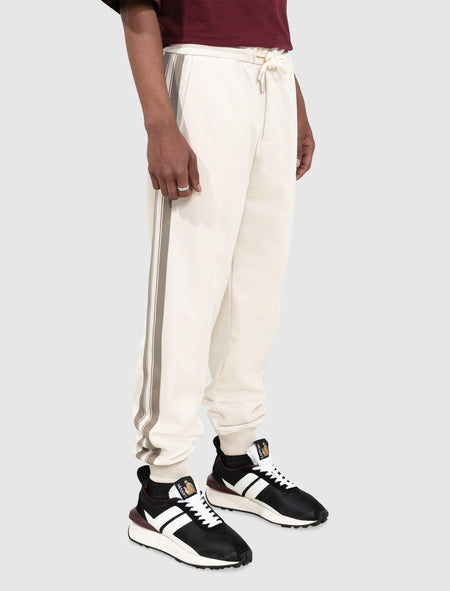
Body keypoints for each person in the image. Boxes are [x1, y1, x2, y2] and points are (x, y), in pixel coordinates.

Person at [100, 0, 328, 569]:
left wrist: (291, 97)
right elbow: (137, 4)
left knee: (256, 284)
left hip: (272, 74)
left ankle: (238, 459)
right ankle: (162, 487)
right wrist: (159, 123)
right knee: (188, 284)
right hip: (201, 72)